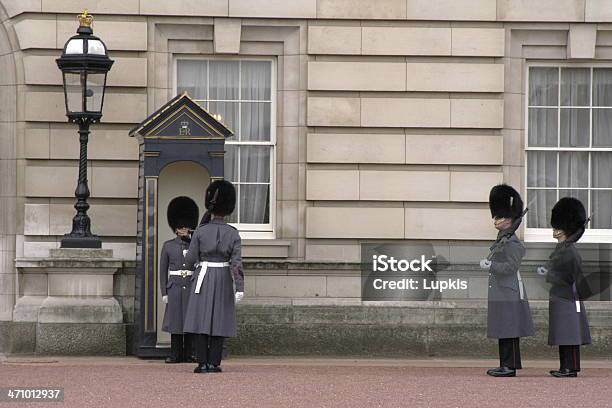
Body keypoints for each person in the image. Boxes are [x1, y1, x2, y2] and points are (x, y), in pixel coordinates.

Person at [183, 180, 244, 373]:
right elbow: (237, 263)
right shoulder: (233, 233)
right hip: (224, 277)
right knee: (220, 318)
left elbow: (191, 258)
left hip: (203, 275)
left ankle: (202, 363)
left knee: (201, 318)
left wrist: (190, 271)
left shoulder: (201, 231)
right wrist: (240, 287)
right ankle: (214, 362)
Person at [480, 184, 534, 377]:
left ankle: (509, 366)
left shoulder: (512, 242)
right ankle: (506, 364)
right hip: (501, 290)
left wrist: (491, 266)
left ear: (510, 219)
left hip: (508, 291)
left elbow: (510, 267)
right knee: (503, 329)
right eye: (495, 216)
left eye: (499, 216)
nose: (495, 220)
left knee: (509, 329)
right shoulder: (502, 239)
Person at [537, 197, 591, 378]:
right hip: (560, 296)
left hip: (568, 296)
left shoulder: (569, 250)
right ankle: (565, 366)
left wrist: (548, 274)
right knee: (563, 332)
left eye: (558, 227)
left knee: (570, 333)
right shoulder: (562, 248)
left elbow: (569, 276)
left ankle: (571, 368)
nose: (555, 230)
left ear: (566, 229)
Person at [159, 197, 199, 363]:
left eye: (185, 227)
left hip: (190, 285)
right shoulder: (168, 245)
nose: (182, 230)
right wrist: (164, 292)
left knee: (189, 320)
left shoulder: (194, 245)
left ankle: (189, 354)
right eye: (180, 227)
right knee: (175, 322)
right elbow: (163, 270)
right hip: (174, 286)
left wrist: (192, 237)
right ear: (175, 228)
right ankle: (175, 354)